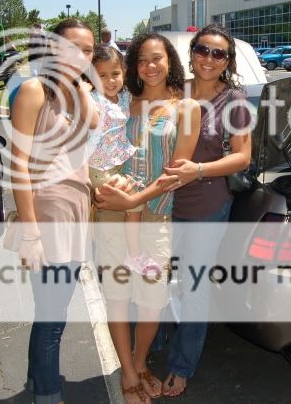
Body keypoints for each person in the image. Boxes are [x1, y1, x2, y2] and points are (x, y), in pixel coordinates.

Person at [94, 33, 201, 404]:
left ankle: (140, 362)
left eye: (157, 59)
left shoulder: (186, 110)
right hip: (112, 217)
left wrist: (134, 200)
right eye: (141, 60)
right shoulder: (125, 102)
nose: (150, 66)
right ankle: (127, 372)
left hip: (156, 218)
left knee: (152, 298)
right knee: (119, 296)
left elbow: (175, 172)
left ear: (170, 61)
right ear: (133, 66)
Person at [153, 24, 252, 398]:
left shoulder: (234, 101)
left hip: (206, 205)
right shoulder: (174, 92)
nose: (209, 59)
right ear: (191, 52)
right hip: (161, 202)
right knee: (157, 278)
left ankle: (182, 366)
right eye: (203, 50)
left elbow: (243, 156)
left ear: (227, 61)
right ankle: (154, 343)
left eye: (218, 53)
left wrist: (196, 170)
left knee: (193, 286)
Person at [11, 18, 100, 404]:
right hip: (46, 216)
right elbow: (18, 165)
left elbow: (94, 122)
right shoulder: (34, 91)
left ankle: (37, 380)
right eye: (71, 47)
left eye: (89, 50)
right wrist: (29, 234)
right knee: (52, 315)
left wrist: (78, 82)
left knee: (52, 309)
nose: (81, 55)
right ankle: (48, 392)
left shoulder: (77, 92)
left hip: (75, 212)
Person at [87, 45, 160, 275]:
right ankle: (134, 254)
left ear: (124, 72)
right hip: (99, 167)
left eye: (115, 74)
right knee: (133, 202)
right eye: (102, 75)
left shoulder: (125, 97)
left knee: (128, 204)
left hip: (118, 162)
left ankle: (118, 254)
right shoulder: (92, 99)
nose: (110, 81)